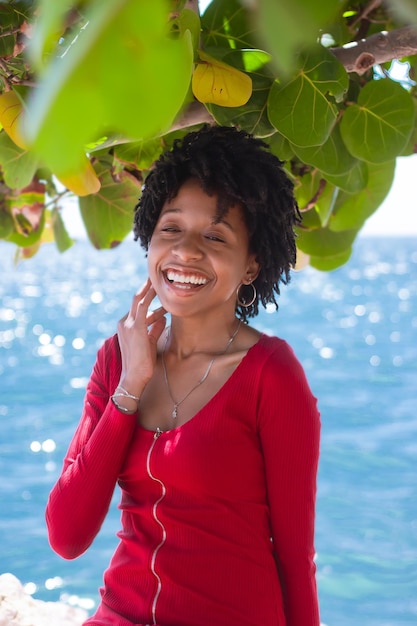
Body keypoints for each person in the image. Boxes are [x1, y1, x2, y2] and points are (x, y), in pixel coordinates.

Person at [45, 125, 321, 626]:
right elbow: (67, 536)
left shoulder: (270, 376)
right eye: (170, 229)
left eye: (215, 235)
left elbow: (295, 556)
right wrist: (129, 388)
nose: (186, 251)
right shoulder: (118, 358)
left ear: (253, 263)